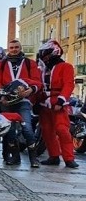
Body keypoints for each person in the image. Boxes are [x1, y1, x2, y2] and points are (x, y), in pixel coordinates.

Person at [0, 38, 42, 167]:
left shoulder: (29, 63)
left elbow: (37, 82)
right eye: (11, 48)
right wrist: (0, 95)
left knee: (27, 128)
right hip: (6, 102)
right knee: (9, 130)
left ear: (20, 49)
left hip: (23, 101)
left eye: (16, 47)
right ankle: (15, 157)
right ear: (8, 49)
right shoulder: (1, 64)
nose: (14, 50)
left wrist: (30, 90)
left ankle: (33, 158)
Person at [37, 40, 79, 169]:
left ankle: (69, 158)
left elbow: (68, 84)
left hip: (58, 102)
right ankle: (54, 156)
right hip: (44, 103)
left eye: (46, 54)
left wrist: (61, 100)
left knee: (62, 130)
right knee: (47, 131)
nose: (45, 57)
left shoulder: (65, 66)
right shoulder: (42, 69)